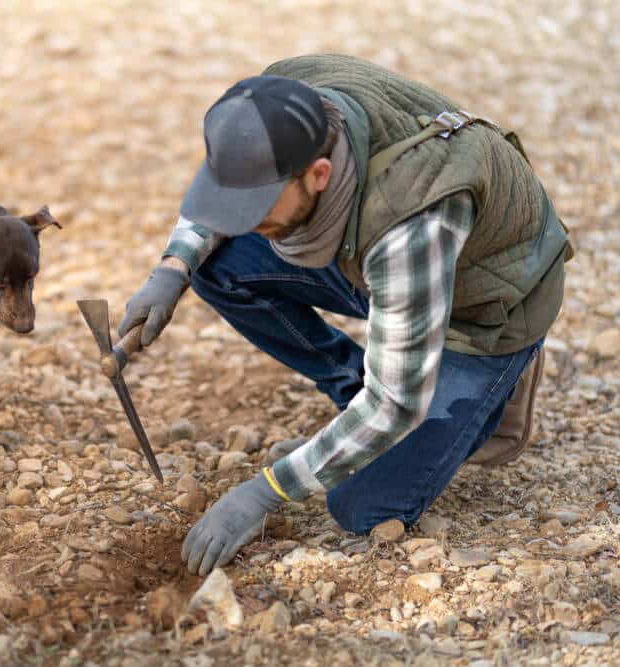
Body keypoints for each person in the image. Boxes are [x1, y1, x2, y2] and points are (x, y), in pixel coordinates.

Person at [118, 54, 572, 577]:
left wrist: (265, 492)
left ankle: (494, 385)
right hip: (388, 272)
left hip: (482, 311)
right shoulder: (281, 103)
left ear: (318, 174)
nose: (243, 219)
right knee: (216, 263)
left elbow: (397, 405)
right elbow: (227, 177)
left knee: (362, 507)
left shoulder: (412, 220)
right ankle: (360, 386)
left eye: (257, 209)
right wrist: (175, 266)